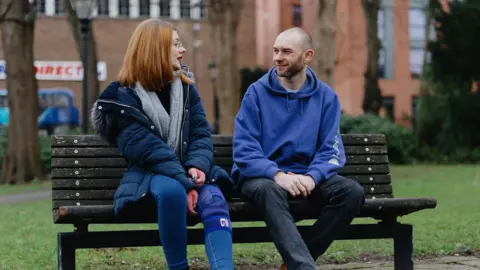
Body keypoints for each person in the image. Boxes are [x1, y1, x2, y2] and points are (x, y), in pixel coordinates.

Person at [91, 19, 234, 270]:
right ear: (155, 49)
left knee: (213, 198)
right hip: (150, 176)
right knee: (172, 192)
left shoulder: (187, 89)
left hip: (186, 170)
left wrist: (198, 166)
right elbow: (149, 151)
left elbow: (201, 133)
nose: (183, 50)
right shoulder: (121, 98)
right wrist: (185, 182)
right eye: (176, 44)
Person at [231, 27, 365, 270]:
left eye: (286, 51)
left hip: (306, 176)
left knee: (351, 193)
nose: (277, 57)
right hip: (262, 177)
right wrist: (278, 175)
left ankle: (294, 264)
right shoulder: (256, 93)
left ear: (307, 56)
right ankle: (303, 267)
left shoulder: (326, 97)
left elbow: (331, 150)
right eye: (275, 50)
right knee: (269, 191)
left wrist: (312, 178)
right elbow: (244, 150)